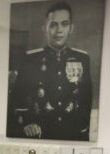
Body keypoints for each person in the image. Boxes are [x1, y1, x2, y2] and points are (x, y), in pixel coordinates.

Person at [7, 1, 92, 141]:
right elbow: (17, 100)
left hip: (72, 134)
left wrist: (82, 131)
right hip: (40, 133)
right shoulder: (30, 59)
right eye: (53, 24)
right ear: (44, 28)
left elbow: (85, 100)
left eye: (64, 24)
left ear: (71, 28)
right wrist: (28, 123)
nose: (59, 30)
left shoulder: (82, 59)